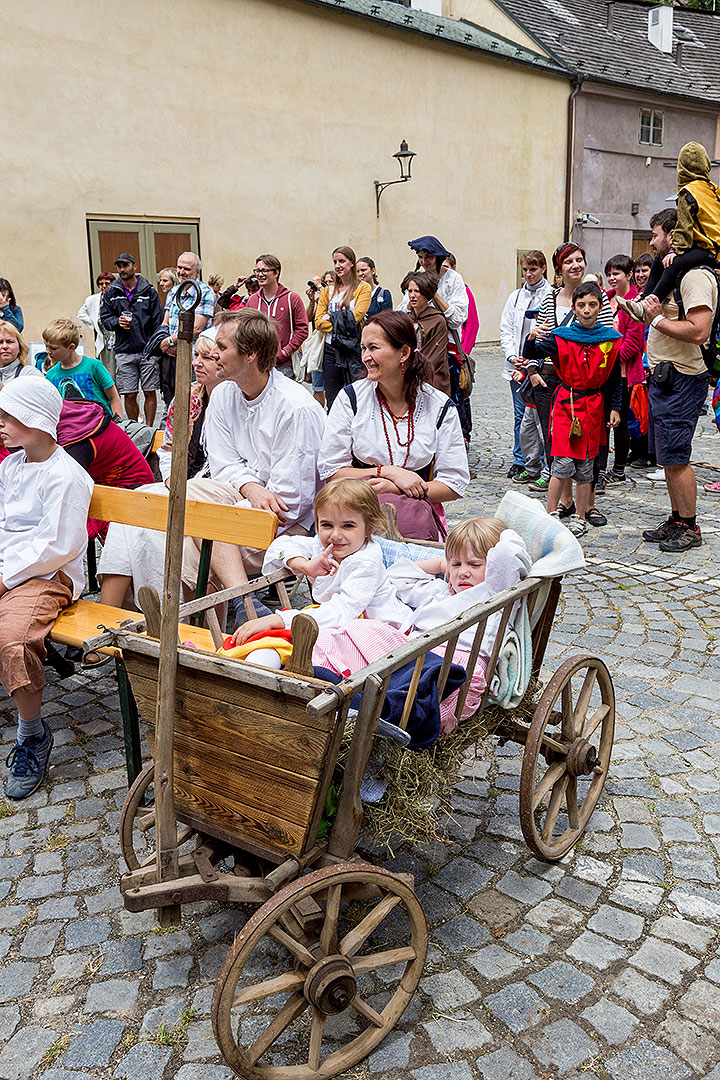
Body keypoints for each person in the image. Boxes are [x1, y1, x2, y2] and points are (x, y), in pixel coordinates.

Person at [184, 308, 327, 624]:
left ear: (250, 354)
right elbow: (222, 463)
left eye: (222, 348)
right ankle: (243, 604)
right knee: (184, 498)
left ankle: (210, 638)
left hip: (287, 521)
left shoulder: (295, 408)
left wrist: (252, 493)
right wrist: (250, 486)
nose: (213, 354)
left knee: (189, 542)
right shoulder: (223, 394)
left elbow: (290, 499)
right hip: (241, 499)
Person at [0, 377, 93, 799]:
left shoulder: (66, 475)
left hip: (48, 575)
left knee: (14, 641)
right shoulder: (10, 466)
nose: (0, 422)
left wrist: (5, 577)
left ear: (35, 418)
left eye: (8, 415)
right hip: (9, 567)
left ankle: (32, 734)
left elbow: (58, 544)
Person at [95, 333, 223, 613]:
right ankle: (110, 613)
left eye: (206, 358)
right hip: (178, 481)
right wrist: (170, 477)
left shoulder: (233, 401)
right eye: (196, 356)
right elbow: (167, 448)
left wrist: (191, 484)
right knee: (130, 509)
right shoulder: (187, 397)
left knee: (156, 526)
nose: (197, 363)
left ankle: (165, 613)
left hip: (212, 489)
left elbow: (227, 462)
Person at [319, 311, 469, 540]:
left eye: (373, 347)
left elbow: (454, 483)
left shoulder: (438, 406)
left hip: (416, 522)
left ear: (404, 353)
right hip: (355, 523)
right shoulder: (351, 399)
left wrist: (398, 488)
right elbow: (332, 473)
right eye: (363, 348)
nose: (366, 357)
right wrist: (388, 472)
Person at [388, 518, 531, 734]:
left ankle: (404, 717)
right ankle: (384, 709)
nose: (463, 572)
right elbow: (395, 577)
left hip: (458, 668)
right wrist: (441, 564)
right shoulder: (438, 591)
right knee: (362, 630)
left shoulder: (496, 595)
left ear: (493, 567)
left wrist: (495, 540)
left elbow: (508, 554)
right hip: (414, 657)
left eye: (474, 564)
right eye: (457, 564)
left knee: (424, 683)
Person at [228, 478, 412, 647]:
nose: (335, 535)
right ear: (316, 525)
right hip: (344, 624)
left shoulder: (365, 562)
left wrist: (279, 620)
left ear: (370, 527)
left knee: (309, 647)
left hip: (383, 632)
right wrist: (303, 565)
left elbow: (342, 611)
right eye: (326, 525)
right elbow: (281, 544)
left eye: (348, 526)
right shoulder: (323, 546)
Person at [640, 208, 716, 552]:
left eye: (656, 234)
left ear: (673, 235)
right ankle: (676, 519)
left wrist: (655, 322)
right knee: (669, 456)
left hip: (684, 378)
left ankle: (690, 525)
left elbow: (700, 331)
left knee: (678, 456)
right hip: (666, 377)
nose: (652, 241)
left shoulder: (695, 277)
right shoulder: (676, 271)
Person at [523, 242, 613, 520]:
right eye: (569, 261)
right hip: (554, 380)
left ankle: (589, 505)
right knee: (559, 446)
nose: (576, 265)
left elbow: (608, 340)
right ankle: (565, 502)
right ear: (559, 268)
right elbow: (540, 340)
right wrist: (533, 371)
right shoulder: (550, 298)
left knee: (591, 446)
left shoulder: (600, 299)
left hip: (592, 382)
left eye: (579, 260)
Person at [529, 281, 622, 537]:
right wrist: (531, 336)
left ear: (600, 307)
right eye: (581, 305)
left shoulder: (610, 341)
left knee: (586, 465)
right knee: (561, 462)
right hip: (565, 405)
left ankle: (580, 516)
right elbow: (531, 351)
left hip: (593, 406)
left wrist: (615, 408)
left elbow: (614, 380)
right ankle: (550, 515)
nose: (587, 310)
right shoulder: (560, 337)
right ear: (574, 307)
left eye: (592, 305)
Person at [619, 142, 720, 322]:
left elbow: (685, 226)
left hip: (710, 250)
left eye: (655, 236)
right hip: (712, 247)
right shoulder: (713, 189)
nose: (651, 242)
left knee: (670, 263)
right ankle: (643, 301)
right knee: (659, 261)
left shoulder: (687, 192)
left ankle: (648, 306)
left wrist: (676, 251)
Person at [499, 250, 553, 480]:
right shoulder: (515, 297)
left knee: (541, 416)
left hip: (539, 365)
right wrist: (512, 356)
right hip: (517, 365)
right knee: (520, 415)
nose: (528, 274)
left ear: (543, 269)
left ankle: (542, 461)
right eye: (525, 270)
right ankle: (520, 459)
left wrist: (532, 359)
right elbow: (507, 329)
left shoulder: (551, 295)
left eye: (533, 269)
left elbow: (550, 333)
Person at [99, 254, 164, 425]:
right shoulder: (112, 292)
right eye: (119, 266)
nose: (122, 269)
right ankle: (134, 428)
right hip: (124, 350)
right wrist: (116, 322)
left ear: (134, 266)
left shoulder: (149, 291)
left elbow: (158, 320)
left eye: (125, 265)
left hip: (147, 351)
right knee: (129, 393)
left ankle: (149, 429)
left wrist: (155, 346)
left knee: (150, 391)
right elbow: (105, 319)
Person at [602, 254, 646, 487]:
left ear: (629, 275)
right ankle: (600, 467)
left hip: (623, 373)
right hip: (603, 372)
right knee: (602, 419)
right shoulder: (604, 299)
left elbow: (633, 342)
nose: (611, 278)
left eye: (616, 273)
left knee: (619, 422)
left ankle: (618, 469)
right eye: (609, 273)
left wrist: (609, 358)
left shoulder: (634, 302)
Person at [314, 246, 372, 409]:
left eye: (342, 261)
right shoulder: (327, 291)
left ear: (351, 263)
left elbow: (357, 317)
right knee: (333, 400)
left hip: (352, 350)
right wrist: (342, 318)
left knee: (356, 397)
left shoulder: (363, 288)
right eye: (335, 262)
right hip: (330, 351)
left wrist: (331, 317)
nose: (338, 265)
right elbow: (318, 322)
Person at [159, 252, 216, 399]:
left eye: (186, 269)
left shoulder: (204, 292)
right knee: (171, 399)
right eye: (179, 267)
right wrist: (167, 343)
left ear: (197, 272)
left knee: (194, 399)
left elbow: (196, 328)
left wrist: (169, 341)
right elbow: (165, 322)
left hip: (193, 359)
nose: (181, 272)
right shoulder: (173, 292)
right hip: (172, 357)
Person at [244, 254, 308, 378]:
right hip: (258, 365)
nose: (260, 274)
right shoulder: (252, 300)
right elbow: (247, 330)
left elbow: (302, 329)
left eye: (264, 270)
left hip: (285, 365)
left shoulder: (292, 298)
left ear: (276, 272)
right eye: (257, 270)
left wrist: (286, 351)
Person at [43, 318, 122, 418]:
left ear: (71, 347)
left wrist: (119, 425)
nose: (48, 351)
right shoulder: (51, 375)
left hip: (101, 425)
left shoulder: (94, 366)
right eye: (46, 346)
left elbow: (113, 397)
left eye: (53, 348)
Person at [403, 270, 450, 395]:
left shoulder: (437, 320)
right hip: (408, 380)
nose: (412, 295)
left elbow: (434, 357)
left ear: (426, 292)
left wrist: (414, 372)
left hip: (432, 382)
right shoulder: (406, 319)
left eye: (417, 291)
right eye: (410, 291)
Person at [78, 271, 115, 374]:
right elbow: (81, 313)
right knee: (108, 368)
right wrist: (93, 324)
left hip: (118, 337)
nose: (104, 286)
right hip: (104, 338)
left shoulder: (116, 297)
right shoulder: (93, 299)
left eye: (107, 283)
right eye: (101, 283)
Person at [444, 253, 480, 357]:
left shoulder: (464, 290)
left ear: (453, 268)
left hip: (457, 347)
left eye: (445, 267)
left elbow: (472, 324)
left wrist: (463, 352)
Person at [0, 322, 45, 388]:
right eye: (0, 342)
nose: (5, 346)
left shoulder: (30, 375)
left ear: (20, 347)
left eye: (10, 341)